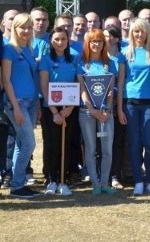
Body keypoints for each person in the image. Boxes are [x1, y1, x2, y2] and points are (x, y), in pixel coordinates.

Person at [118, 19, 150, 196]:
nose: (139, 34)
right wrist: (120, 108)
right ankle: (138, 180)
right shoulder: (125, 53)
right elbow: (121, 82)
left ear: (147, 33)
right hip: (130, 104)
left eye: (142, 31)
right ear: (131, 33)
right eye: (136, 31)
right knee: (135, 143)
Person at [2, 13, 39, 198]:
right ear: (14, 28)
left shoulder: (29, 49)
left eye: (29, 27)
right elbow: (6, 80)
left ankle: (18, 183)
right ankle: (17, 185)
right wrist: (15, 106)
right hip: (17, 103)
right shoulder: (9, 49)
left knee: (21, 143)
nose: (26, 31)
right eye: (22, 27)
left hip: (31, 103)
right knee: (30, 144)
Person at [77, 29, 118, 195]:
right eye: (93, 41)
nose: (96, 44)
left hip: (106, 113)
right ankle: (95, 183)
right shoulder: (81, 63)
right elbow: (82, 89)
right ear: (88, 43)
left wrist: (106, 110)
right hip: (86, 112)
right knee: (91, 149)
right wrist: (92, 110)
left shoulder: (110, 63)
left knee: (107, 150)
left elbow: (110, 91)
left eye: (99, 41)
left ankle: (105, 183)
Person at [39, 26, 78, 196]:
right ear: (51, 41)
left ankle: (63, 179)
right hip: (50, 109)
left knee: (66, 143)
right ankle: (51, 179)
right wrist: (55, 112)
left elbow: (78, 83)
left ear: (68, 40)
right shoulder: (46, 60)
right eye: (56, 39)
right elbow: (44, 86)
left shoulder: (75, 58)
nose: (60, 42)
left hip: (70, 108)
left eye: (63, 39)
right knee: (51, 144)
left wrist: (69, 108)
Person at [103, 26, 127, 191]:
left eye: (112, 36)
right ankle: (102, 175)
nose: (109, 39)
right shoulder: (98, 57)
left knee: (118, 142)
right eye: (105, 36)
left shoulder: (122, 58)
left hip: (120, 104)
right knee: (102, 142)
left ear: (118, 39)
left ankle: (115, 176)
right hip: (101, 106)